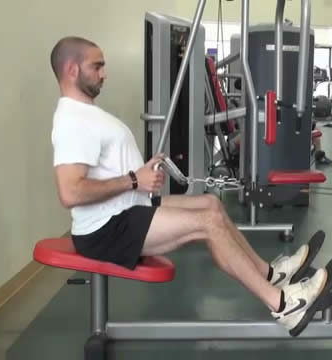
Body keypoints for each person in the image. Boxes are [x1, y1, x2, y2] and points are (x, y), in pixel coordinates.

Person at [50, 36, 328, 335]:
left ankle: (271, 274)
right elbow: (70, 192)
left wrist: (139, 174)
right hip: (106, 229)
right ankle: (284, 306)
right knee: (207, 222)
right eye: (97, 66)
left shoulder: (87, 113)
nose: (104, 73)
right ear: (71, 70)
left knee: (211, 204)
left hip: (125, 208)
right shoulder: (72, 121)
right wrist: (134, 180)